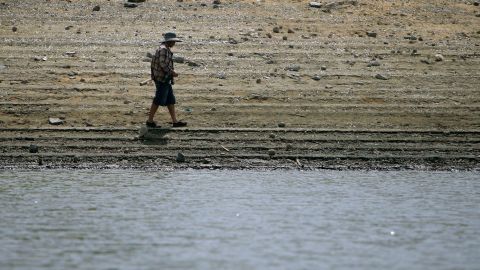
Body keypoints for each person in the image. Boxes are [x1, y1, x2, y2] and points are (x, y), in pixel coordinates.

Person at [146, 32, 187, 128]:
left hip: (165, 78)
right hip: (162, 79)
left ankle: (175, 121)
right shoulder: (163, 50)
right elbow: (163, 64)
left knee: (170, 100)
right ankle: (149, 121)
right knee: (158, 99)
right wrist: (172, 72)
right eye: (173, 41)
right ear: (169, 41)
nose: (174, 43)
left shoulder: (164, 49)